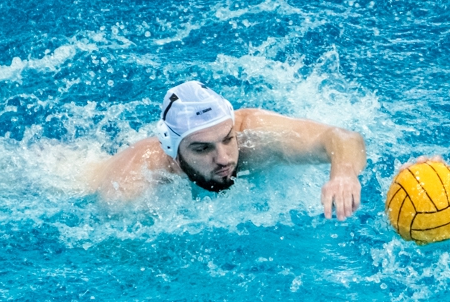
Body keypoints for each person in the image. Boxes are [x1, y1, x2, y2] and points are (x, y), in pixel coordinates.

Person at [88, 81, 366, 220]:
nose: (223, 158)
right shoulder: (133, 183)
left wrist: (342, 173)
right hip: (80, 175)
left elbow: (342, 137)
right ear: (171, 147)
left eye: (227, 139)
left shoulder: (253, 134)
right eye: (202, 148)